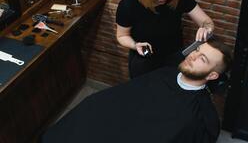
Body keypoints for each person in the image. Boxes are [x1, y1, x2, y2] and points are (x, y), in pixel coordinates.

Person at [41, 38, 232, 143]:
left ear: (212, 76)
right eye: (197, 51)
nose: (193, 56)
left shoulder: (200, 116)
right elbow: (126, 96)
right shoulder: (165, 73)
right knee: (86, 113)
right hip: (118, 120)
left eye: (203, 59)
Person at [116, 0, 214, 78]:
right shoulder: (129, 3)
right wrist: (135, 45)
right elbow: (122, 35)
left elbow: (207, 22)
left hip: (174, 57)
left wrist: (206, 28)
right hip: (144, 60)